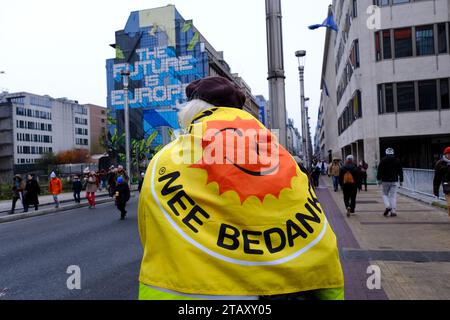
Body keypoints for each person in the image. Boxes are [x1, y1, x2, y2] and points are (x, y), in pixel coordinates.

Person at [138, 76, 344, 300]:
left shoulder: (165, 160)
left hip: (190, 292)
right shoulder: (282, 157)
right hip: (287, 289)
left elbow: (150, 228)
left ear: (189, 113)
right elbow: (315, 231)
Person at [377, 148, 403, 217]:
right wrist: (401, 180)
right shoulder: (397, 160)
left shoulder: (383, 160)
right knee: (393, 196)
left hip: (385, 180)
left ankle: (388, 206)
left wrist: (378, 179)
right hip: (394, 180)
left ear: (386, 153)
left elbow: (379, 170)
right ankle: (393, 211)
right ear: (393, 153)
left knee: (385, 194)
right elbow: (400, 171)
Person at [433, 147, 450, 217]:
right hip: (447, 187)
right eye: (448, 154)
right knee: (449, 205)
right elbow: (437, 178)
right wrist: (436, 191)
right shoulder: (440, 163)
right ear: (445, 154)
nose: (449, 155)